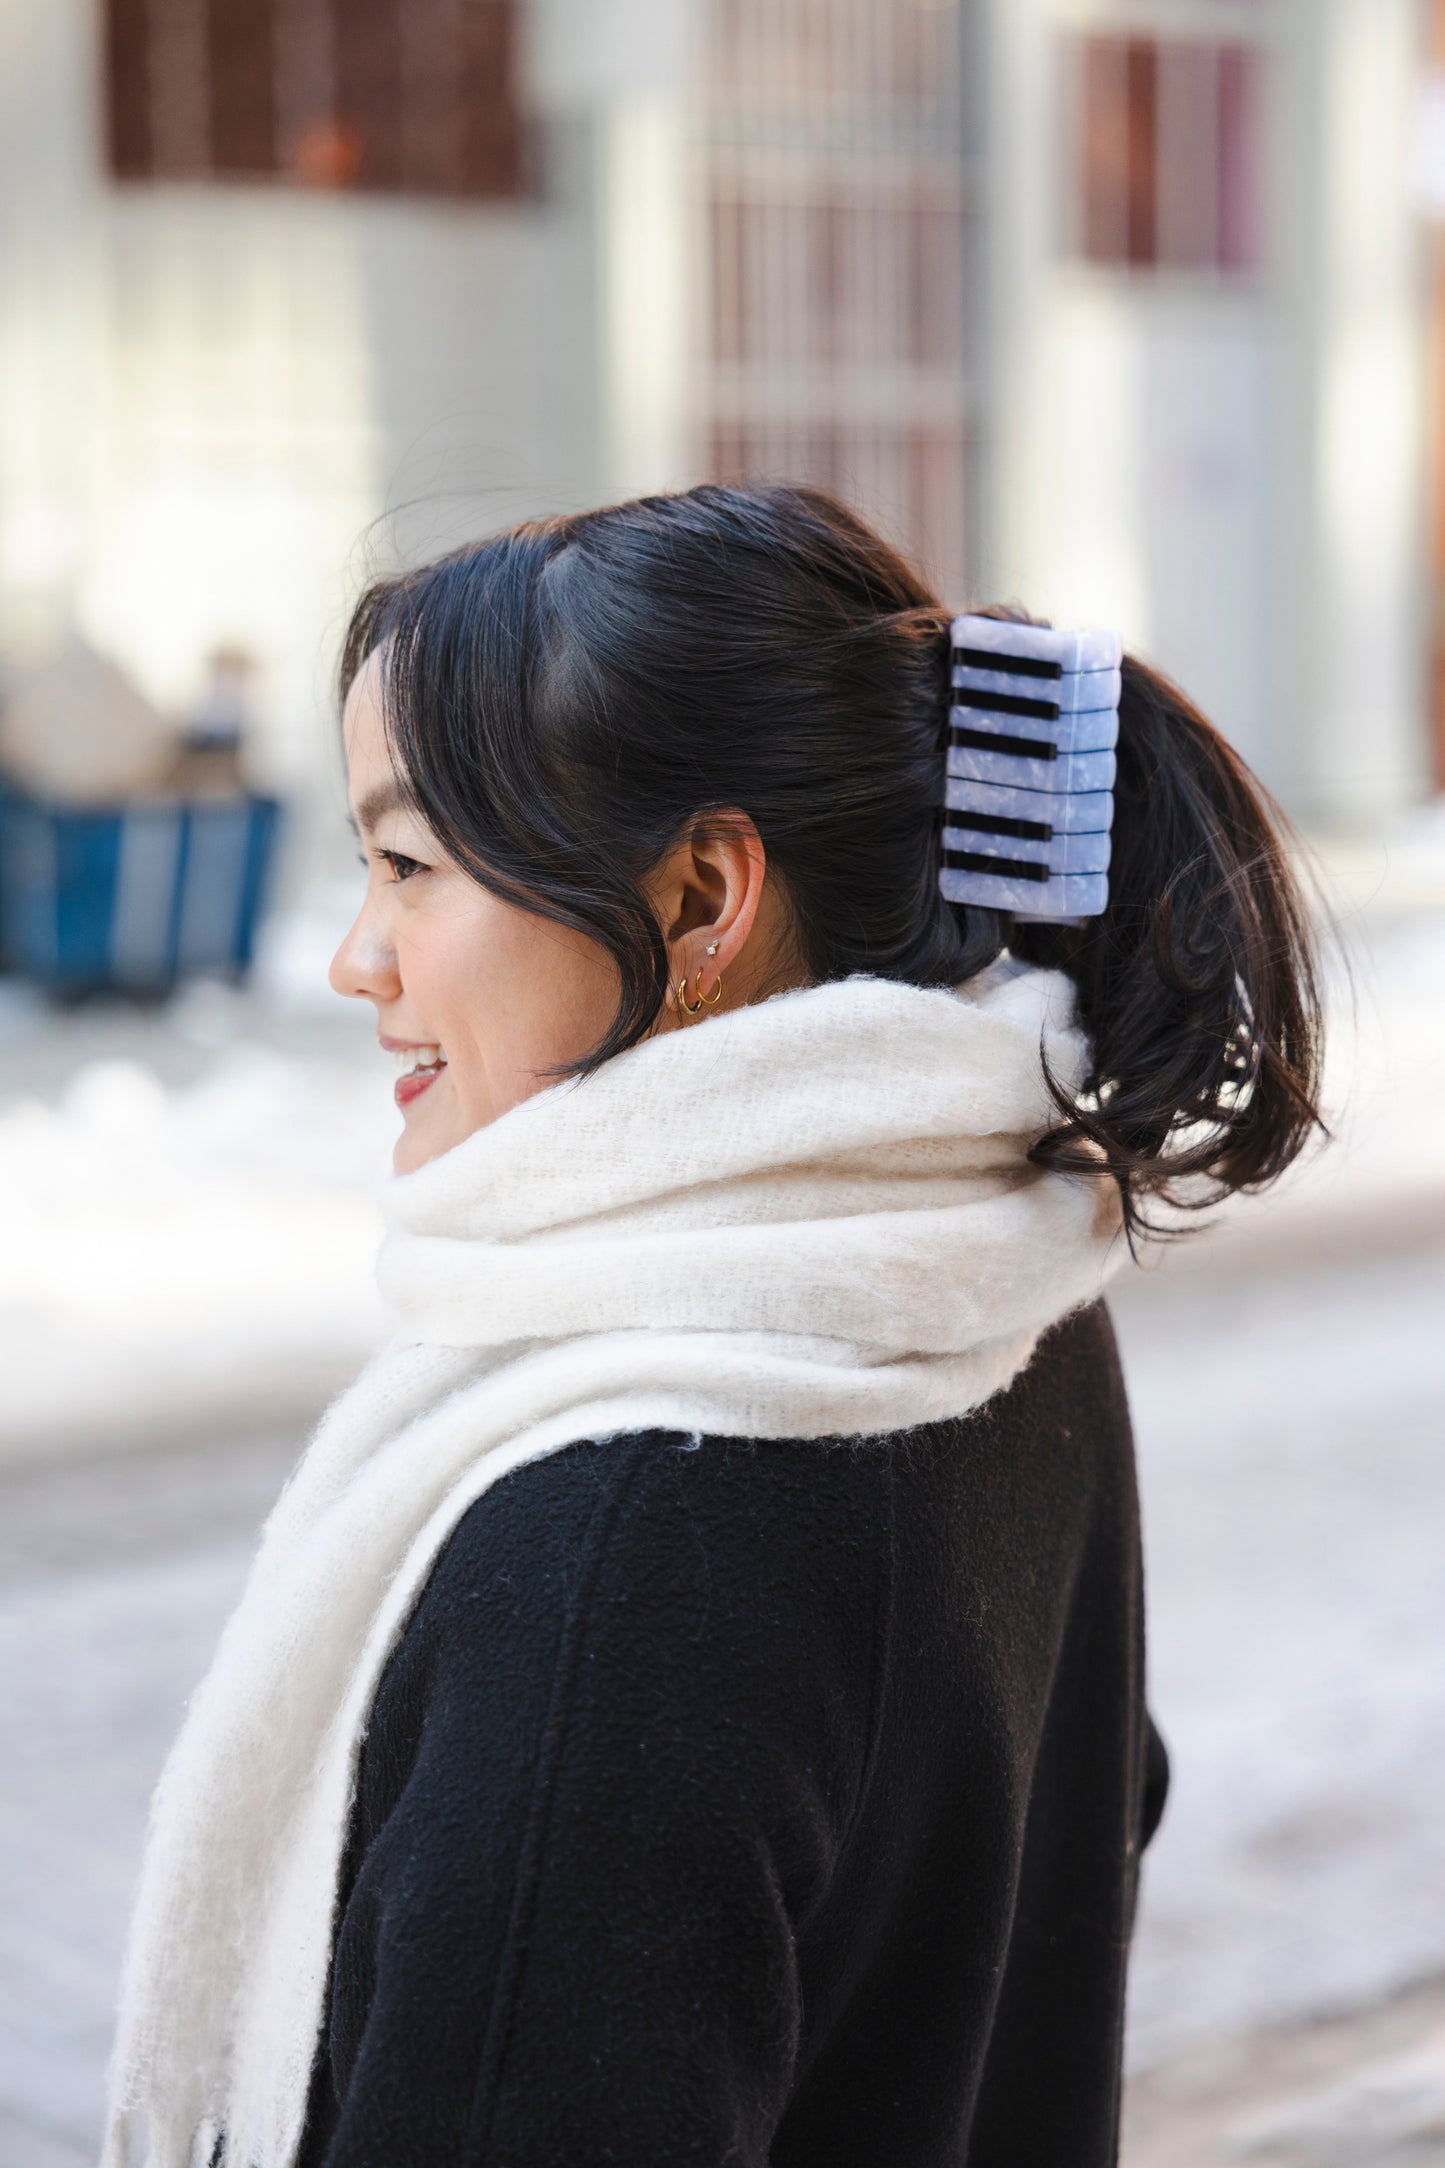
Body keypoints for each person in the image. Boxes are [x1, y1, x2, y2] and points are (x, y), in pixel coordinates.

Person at [103, 485, 1322, 2168]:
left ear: (696, 899)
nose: (354, 959)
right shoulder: (976, 1285)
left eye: (407, 867)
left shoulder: (621, 1540)